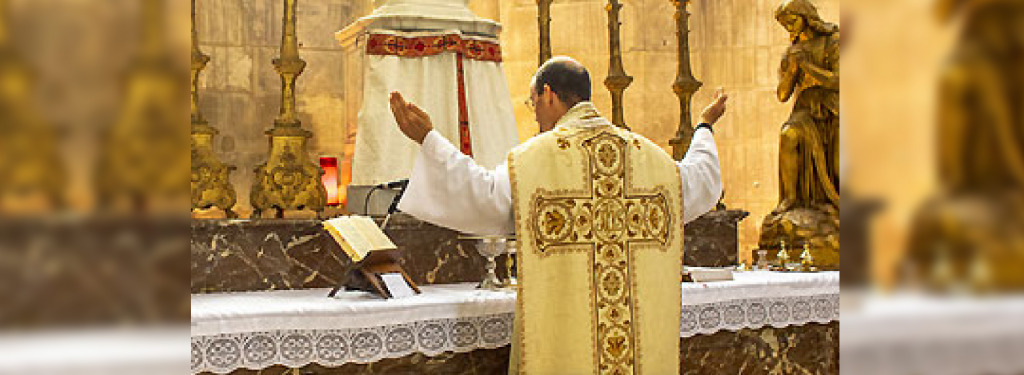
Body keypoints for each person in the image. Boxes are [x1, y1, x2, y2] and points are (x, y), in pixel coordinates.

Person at [389, 56, 725, 374]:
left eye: (533, 101)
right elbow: (701, 181)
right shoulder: (647, 156)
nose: (535, 113)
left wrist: (428, 140)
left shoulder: (535, 160)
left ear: (548, 94)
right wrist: (704, 128)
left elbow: (484, 197)